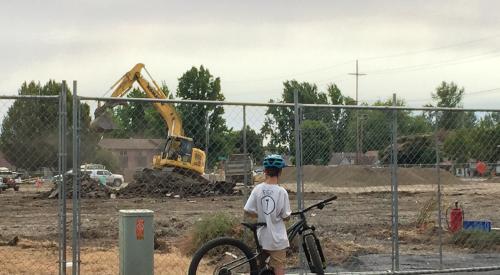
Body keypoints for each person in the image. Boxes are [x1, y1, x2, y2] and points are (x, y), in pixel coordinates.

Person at [244, 154, 291, 275]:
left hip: (261, 237)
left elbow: (247, 210)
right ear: (280, 172)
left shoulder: (257, 189)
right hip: (277, 239)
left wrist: (260, 215)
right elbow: (286, 216)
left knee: (259, 265)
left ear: (265, 171)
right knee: (278, 266)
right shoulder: (282, 192)